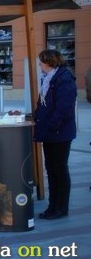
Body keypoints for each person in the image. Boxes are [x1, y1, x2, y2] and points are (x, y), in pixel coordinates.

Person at [34, 49, 77, 220]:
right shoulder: (49, 78)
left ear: (49, 62)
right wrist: (37, 117)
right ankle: (53, 206)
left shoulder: (64, 78)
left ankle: (61, 207)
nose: (40, 65)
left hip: (59, 132)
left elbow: (64, 108)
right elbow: (44, 103)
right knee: (51, 170)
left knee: (59, 169)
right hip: (50, 132)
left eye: (41, 62)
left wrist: (51, 124)